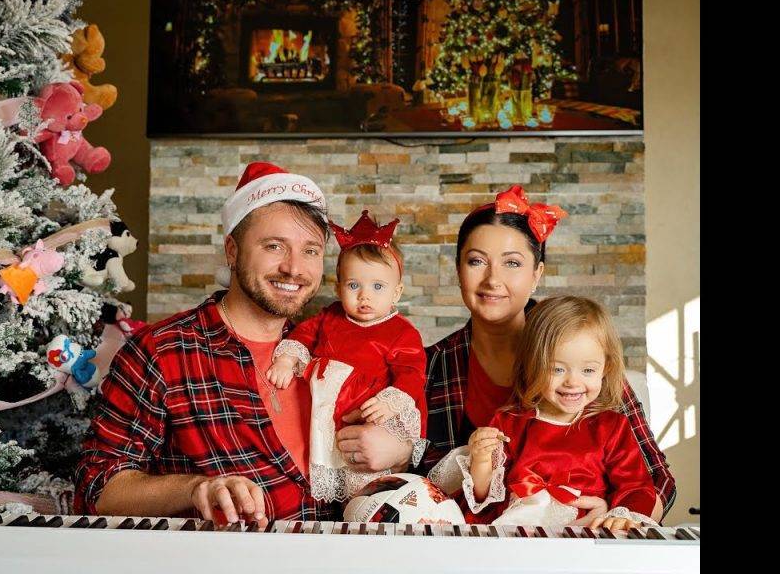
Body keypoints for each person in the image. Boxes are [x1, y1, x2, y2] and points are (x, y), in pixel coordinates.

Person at [334, 185, 676, 521]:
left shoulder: (580, 350)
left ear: (537, 274)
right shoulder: (429, 365)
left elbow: (656, 479)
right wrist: (398, 452)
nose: (492, 279)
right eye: (476, 261)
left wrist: (610, 519)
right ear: (458, 270)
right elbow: (421, 491)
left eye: (512, 263)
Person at [75, 161, 341, 525]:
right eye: (274, 246)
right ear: (232, 250)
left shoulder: (328, 352)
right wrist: (195, 488)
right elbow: (97, 490)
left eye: (311, 250)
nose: (294, 268)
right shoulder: (160, 352)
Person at [447, 296, 657, 530]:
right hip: (520, 528)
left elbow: (636, 486)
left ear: (605, 368)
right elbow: (484, 496)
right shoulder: (509, 422)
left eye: (588, 370)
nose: (572, 382)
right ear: (533, 365)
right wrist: (481, 460)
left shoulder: (611, 427)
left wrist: (621, 516)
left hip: (587, 531)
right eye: (557, 369)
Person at [266, 211, 427, 502]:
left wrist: (390, 402)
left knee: (364, 482)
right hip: (326, 415)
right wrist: (287, 359)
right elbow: (304, 334)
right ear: (339, 288)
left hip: (368, 415)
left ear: (397, 292)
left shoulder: (401, 333)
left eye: (378, 287)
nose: (365, 296)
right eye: (354, 285)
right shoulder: (330, 316)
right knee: (324, 465)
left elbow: (411, 373)